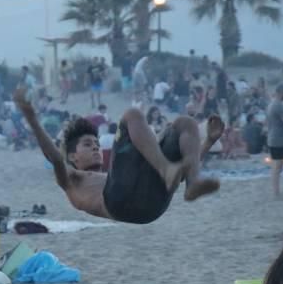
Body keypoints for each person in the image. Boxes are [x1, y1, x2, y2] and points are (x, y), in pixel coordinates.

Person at [14, 88, 221, 225]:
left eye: (96, 143)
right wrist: (32, 118)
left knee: (185, 123)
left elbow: (181, 169)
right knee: (131, 114)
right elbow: (55, 158)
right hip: (118, 203)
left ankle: (193, 184)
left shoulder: (116, 175)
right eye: (87, 145)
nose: (95, 148)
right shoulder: (72, 180)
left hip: (153, 207)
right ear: (73, 157)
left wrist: (209, 142)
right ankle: (166, 170)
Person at [266, 85, 283, 199]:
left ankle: (276, 190)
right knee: (277, 166)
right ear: (281, 92)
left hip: (273, 137)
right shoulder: (279, 106)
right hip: (278, 139)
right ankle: (276, 192)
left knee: (277, 166)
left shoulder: (271, 105)